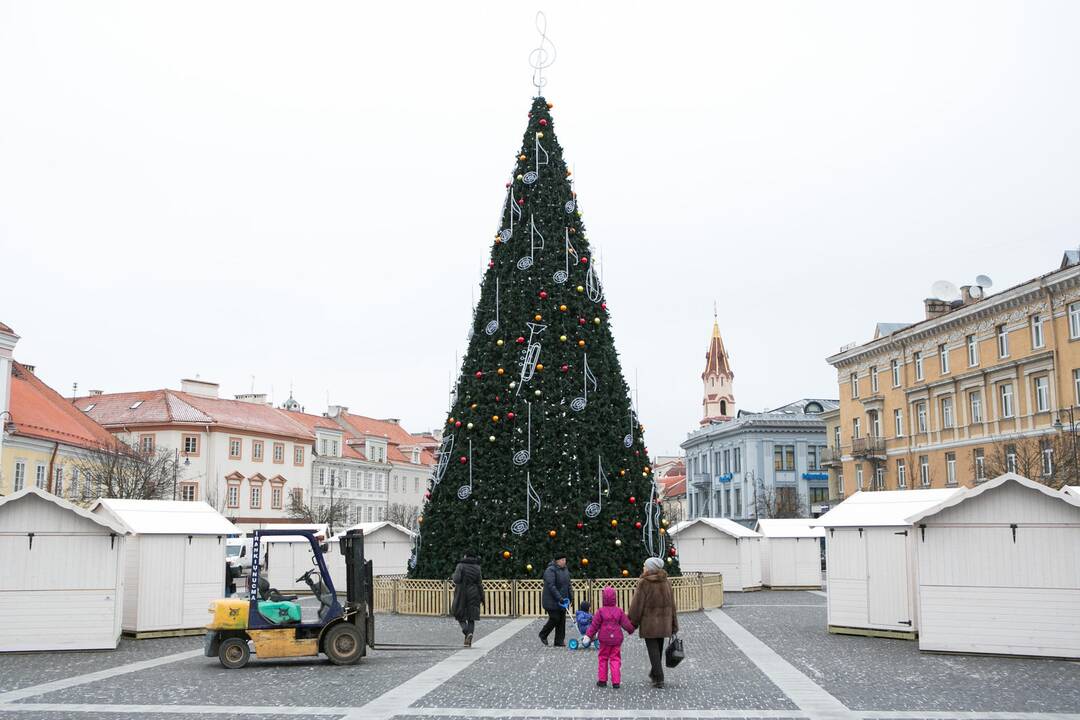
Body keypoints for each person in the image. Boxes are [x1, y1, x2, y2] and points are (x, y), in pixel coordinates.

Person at [628, 556, 678, 688]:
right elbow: (672, 605)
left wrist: (633, 621)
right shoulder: (666, 582)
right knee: (658, 649)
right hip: (664, 622)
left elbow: (637, 604)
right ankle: (654, 673)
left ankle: (659, 678)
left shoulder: (644, 582)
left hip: (649, 623)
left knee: (653, 650)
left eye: (645, 565)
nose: (643, 567)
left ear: (650, 567)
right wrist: (674, 624)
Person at [584, 586, 636, 688]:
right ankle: (616, 682)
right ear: (614, 598)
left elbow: (594, 625)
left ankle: (602, 680)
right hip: (616, 639)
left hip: (604, 639)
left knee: (603, 658)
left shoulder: (600, 611)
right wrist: (631, 629)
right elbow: (626, 623)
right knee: (615, 659)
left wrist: (588, 635)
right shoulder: (619, 611)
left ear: (603, 598)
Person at [451, 552, 483, 647]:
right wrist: (482, 596)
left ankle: (466, 632)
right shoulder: (477, 567)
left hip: (462, 593)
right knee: (471, 617)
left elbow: (456, 579)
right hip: (474, 593)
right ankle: (468, 639)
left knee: (459, 614)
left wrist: (453, 575)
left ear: (465, 556)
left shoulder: (460, 565)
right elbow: (479, 583)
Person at [539, 553, 571, 646]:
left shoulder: (565, 570)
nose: (564, 562)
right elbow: (551, 586)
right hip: (551, 600)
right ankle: (543, 634)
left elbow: (568, 584)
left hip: (562, 600)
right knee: (555, 618)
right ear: (557, 561)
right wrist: (559, 598)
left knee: (562, 620)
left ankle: (559, 641)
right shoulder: (550, 570)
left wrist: (570, 596)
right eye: (562, 560)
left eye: (565, 560)